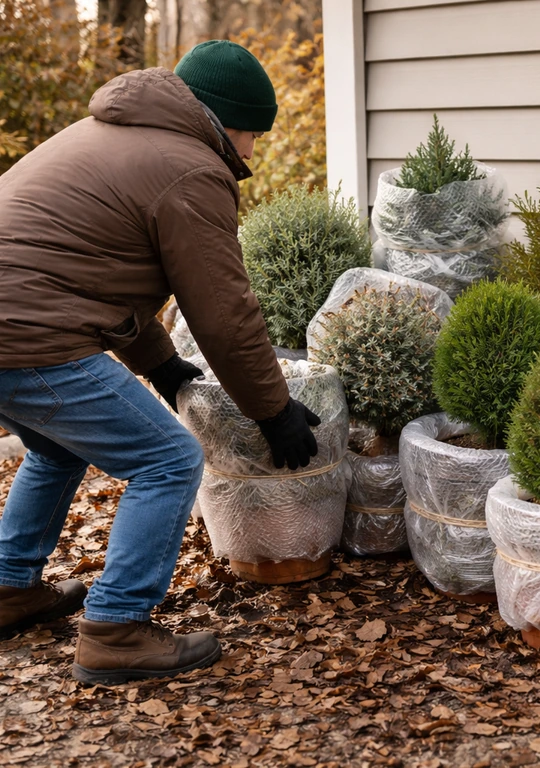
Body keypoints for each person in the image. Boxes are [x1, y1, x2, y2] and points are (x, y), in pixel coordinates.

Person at [0, 40, 321, 684]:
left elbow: (95, 274)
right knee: (168, 459)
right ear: (222, 120)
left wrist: (160, 361)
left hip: (18, 321)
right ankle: (116, 629)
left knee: (59, 449)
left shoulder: (106, 135)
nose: (252, 151)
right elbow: (224, 313)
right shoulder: (191, 169)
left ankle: (9, 588)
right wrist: (274, 409)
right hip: (28, 333)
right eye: (251, 132)